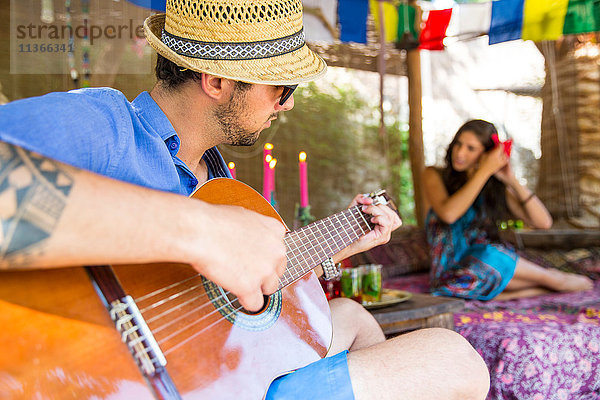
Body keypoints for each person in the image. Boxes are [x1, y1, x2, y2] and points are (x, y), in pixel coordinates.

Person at [0, 1, 490, 399]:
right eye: (282, 87)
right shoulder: (105, 126)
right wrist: (200, 230)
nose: (289, 103)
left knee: (352, 318)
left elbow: (198, 302)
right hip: (94, 377)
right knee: (453, 357)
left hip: (202, 368)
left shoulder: (216, 178)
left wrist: (331, 249)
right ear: (216, 81)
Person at [423, 119, 594, 301]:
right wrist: (484, 171)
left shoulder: (493, 187)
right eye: (458, 144)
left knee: (489, 254)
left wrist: (510, 179)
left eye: (470, 148)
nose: (460, 152)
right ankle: (551, 283)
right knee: (473, 269)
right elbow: (449, 215)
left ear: (486, 154)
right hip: (454, 272)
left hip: (489, 262)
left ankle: (551, 280)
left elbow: (543, 222)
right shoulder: (434, 174)